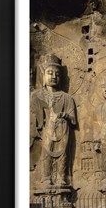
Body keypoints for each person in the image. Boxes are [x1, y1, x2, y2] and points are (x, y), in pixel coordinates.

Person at [31, 54, 77, 187]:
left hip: (63, 129)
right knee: (46, 153)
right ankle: (46, 178)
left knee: (63, 155)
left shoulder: (67, 98)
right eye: (49, 73)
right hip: (48, 129)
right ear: (43, 76)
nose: (54, 76)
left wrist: (65, 116)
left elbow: (73, 120)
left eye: (57, 74)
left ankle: (61, 178)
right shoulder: (37, 96)